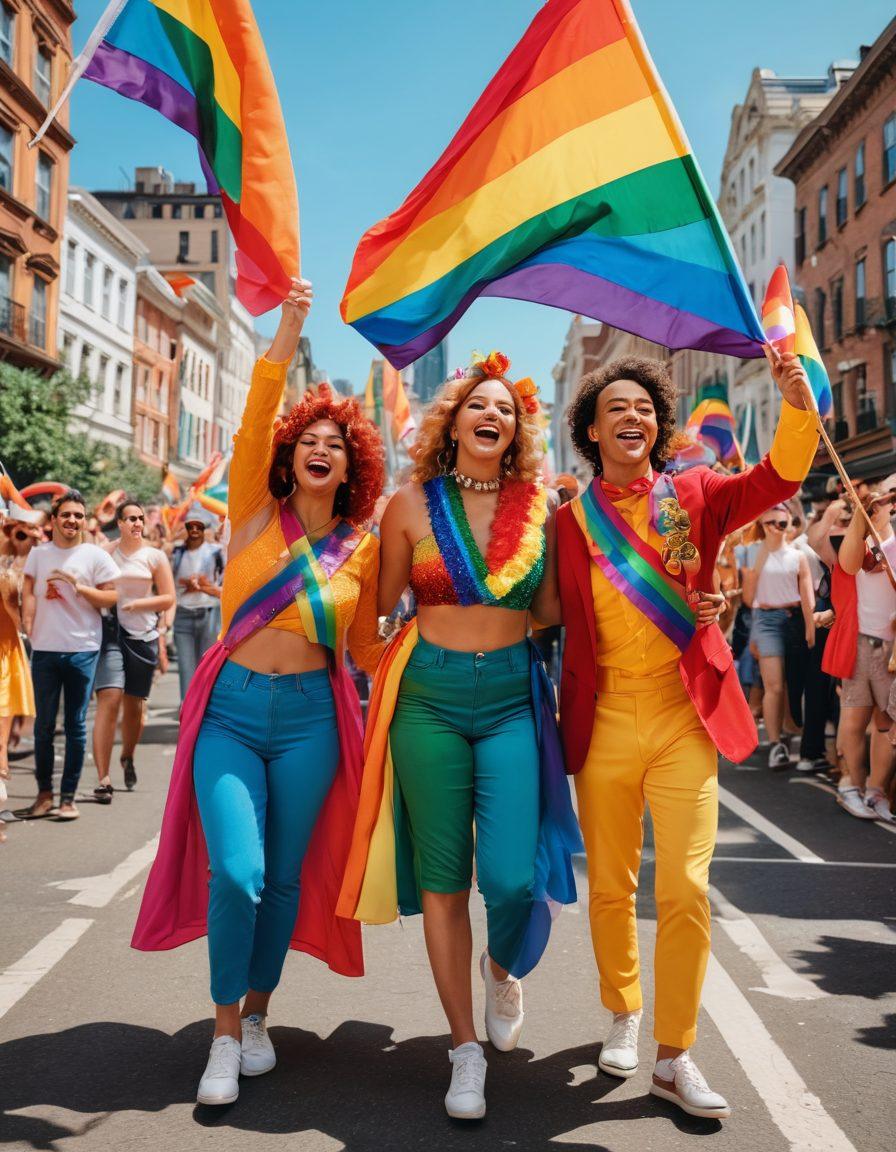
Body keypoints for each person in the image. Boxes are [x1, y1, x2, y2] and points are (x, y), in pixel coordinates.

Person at [130, 279, 386, 1108]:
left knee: (281, 879)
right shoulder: (248, 510)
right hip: (233, 714)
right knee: (237, 874)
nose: (321, 448)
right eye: (309, 439)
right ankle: (221, 1033)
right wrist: (291, 327)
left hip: (314, 718)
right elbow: (257, 409)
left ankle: (258, 1017)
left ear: (353, 465)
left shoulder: (364, 550)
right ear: (288, 454)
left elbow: (366, 649)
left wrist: (451, 642)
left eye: (336, 443)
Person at [553, 350, 818, 1120]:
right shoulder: (568, 522)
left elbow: (775, 482)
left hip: (681, 720)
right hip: (601, 721)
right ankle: (624, 1009)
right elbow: (538, 614)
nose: (633, 416)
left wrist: (797, 406)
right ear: (592, 430)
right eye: (616, 409)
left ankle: (675, 1054)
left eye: (644, 407)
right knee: (609, 886)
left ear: (659, 424)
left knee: (687, 888)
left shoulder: (695, 492)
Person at [338, 352, 581, 1122]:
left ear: (518, 429)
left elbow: (551, 611)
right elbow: (374, 612)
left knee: (511, 879)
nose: (492, 415)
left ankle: (502, 965)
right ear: (452, 420)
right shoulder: (409, 505)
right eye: (479, 404)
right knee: (443, 880)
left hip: (513, 697)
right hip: (428, 701)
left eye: (506, 409)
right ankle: (463, 1048)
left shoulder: (543, 505)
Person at [19, 491, 118, 820]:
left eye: (78, 515)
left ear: (85, 520)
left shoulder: (95, 556)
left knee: (75, 725)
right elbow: (29, 589)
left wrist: (78, 586)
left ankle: (68, 798)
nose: (72, 520)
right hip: (45, 650)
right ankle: (44, 794)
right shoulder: (39, 554)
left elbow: (111, 598)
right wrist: (29, 625)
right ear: (53, 520)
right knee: (44, 726)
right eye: (66, 515)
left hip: (82, 649)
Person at [91, 499, 176, 802]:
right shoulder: (105, 554)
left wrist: (139, 604)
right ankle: (103, 778)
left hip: (144, 637)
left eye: (140, 518)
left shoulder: (154, 557)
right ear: (119, 523)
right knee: (109, 698)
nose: (137, 523)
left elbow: (167, 598)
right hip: (110, 633)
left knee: (134, 709)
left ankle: (127, 755)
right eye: (130, 519)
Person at [825, 493, 896, 821]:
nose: (890, 506)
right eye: (886, 501)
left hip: (892, 647)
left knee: (888, 722)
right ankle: (851, 785)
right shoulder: (859, 542)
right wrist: (861, 514)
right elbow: (849, 563)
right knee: (854, 719)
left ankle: (876, 791)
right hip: (860, 642)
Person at [741, 504, 816, 769]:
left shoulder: (798, 556)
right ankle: (775, 745)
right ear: (761, 525)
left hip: (794, 619)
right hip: (766, 621)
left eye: (781, 524)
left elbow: (808, 597)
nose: (775, 528)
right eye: (769, 523)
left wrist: (810, 628)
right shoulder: (752, 553)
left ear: (789, 524)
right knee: (773, 685)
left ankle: (787, 730)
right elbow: (749, 599)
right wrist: (759, 562)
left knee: (792, 683)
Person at [171, 507, 224, 702]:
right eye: (190, 526)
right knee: (186, 668)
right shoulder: (176, 553)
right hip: (183, 614)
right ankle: (188, 713)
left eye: (198, 526)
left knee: (207, 667)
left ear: (204, 529)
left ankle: (205, 712)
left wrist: (203, 585)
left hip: (209, 614)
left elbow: (223, 583)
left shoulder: (215, 552)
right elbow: (167, 582)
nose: (194, 530)